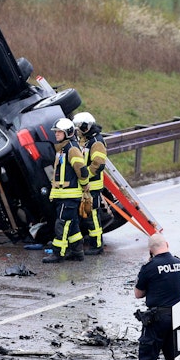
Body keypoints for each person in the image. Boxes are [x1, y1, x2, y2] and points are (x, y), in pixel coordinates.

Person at [134, 233, 180, 360]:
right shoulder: (179, 263)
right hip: (178, 317)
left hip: (157, 319)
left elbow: (138, 294)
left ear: (150, 250)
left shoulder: (149, 267)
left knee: (147, 359)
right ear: (167, 244)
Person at [43, 117, 87, 263]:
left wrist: (85, 186)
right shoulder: (63, 148)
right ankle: (77, 252)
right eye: (56, 132)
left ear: (68, 133)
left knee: (62, 224)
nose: (56, 134)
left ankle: (58, 253)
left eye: (59, 132)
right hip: (63, 195)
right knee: (72, 225)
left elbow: (82, 171)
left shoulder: (71, 149)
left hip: (69, 195)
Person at [73, 111, 107, 255]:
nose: (77, 131)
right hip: (85, 186)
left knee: (93, 217)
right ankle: (92, 242)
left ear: (85, 127)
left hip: (92, 186)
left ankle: (97, 245)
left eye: (78, 128)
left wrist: (84, 175)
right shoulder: (85, 140)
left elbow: (98, 164)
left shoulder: (96, 142)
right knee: (86, 216)